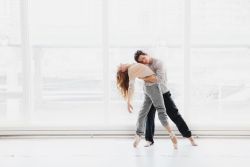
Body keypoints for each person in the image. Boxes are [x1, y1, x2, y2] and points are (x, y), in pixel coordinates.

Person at [134, 50, 197, 147]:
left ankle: (190, 137)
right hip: (151, 94)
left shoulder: (159, 63)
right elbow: (146, 78)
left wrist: (143, 78)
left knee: (175, 115)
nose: (144, 61)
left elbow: (158, 79)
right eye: (141, 62)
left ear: (147, 54)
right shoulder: (143, 66)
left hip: (163, 93)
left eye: (143, 58)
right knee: (149, 116)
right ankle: (149, 140)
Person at [116, 63, 178, 149]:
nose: (120, 64)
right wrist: (128, 101)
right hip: (152, 87)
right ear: (123, 70)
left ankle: (138, 135)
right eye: (119, 66)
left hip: (147, 88)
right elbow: (131, 86)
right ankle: (172, 135)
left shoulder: (131, 66)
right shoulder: (130, 70)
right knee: (161, 110)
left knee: (142, 113)